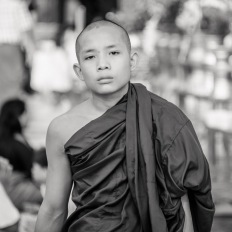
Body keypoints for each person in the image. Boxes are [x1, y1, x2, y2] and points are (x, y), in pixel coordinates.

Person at [35, 20, 215, 232]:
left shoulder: (165, 117)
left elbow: (182, 201)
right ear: (79, 71)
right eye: (90, 57)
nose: (103, 64)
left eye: (113, 53)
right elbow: (54, 209)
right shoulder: (62, 129)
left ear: (132, 61)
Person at [0, 98, 43, 211]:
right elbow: (29, 166)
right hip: (17, 187)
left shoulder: (16, 137)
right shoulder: (10, 141)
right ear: (18, 115)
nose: (28, 117)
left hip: (23, 185)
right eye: (25, 113)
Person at [0, 0, 35, 105]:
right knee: (12, 84)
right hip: (10, 48)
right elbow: (26, 28)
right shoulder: (17, 4)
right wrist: (32, 51)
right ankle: (8, 116)